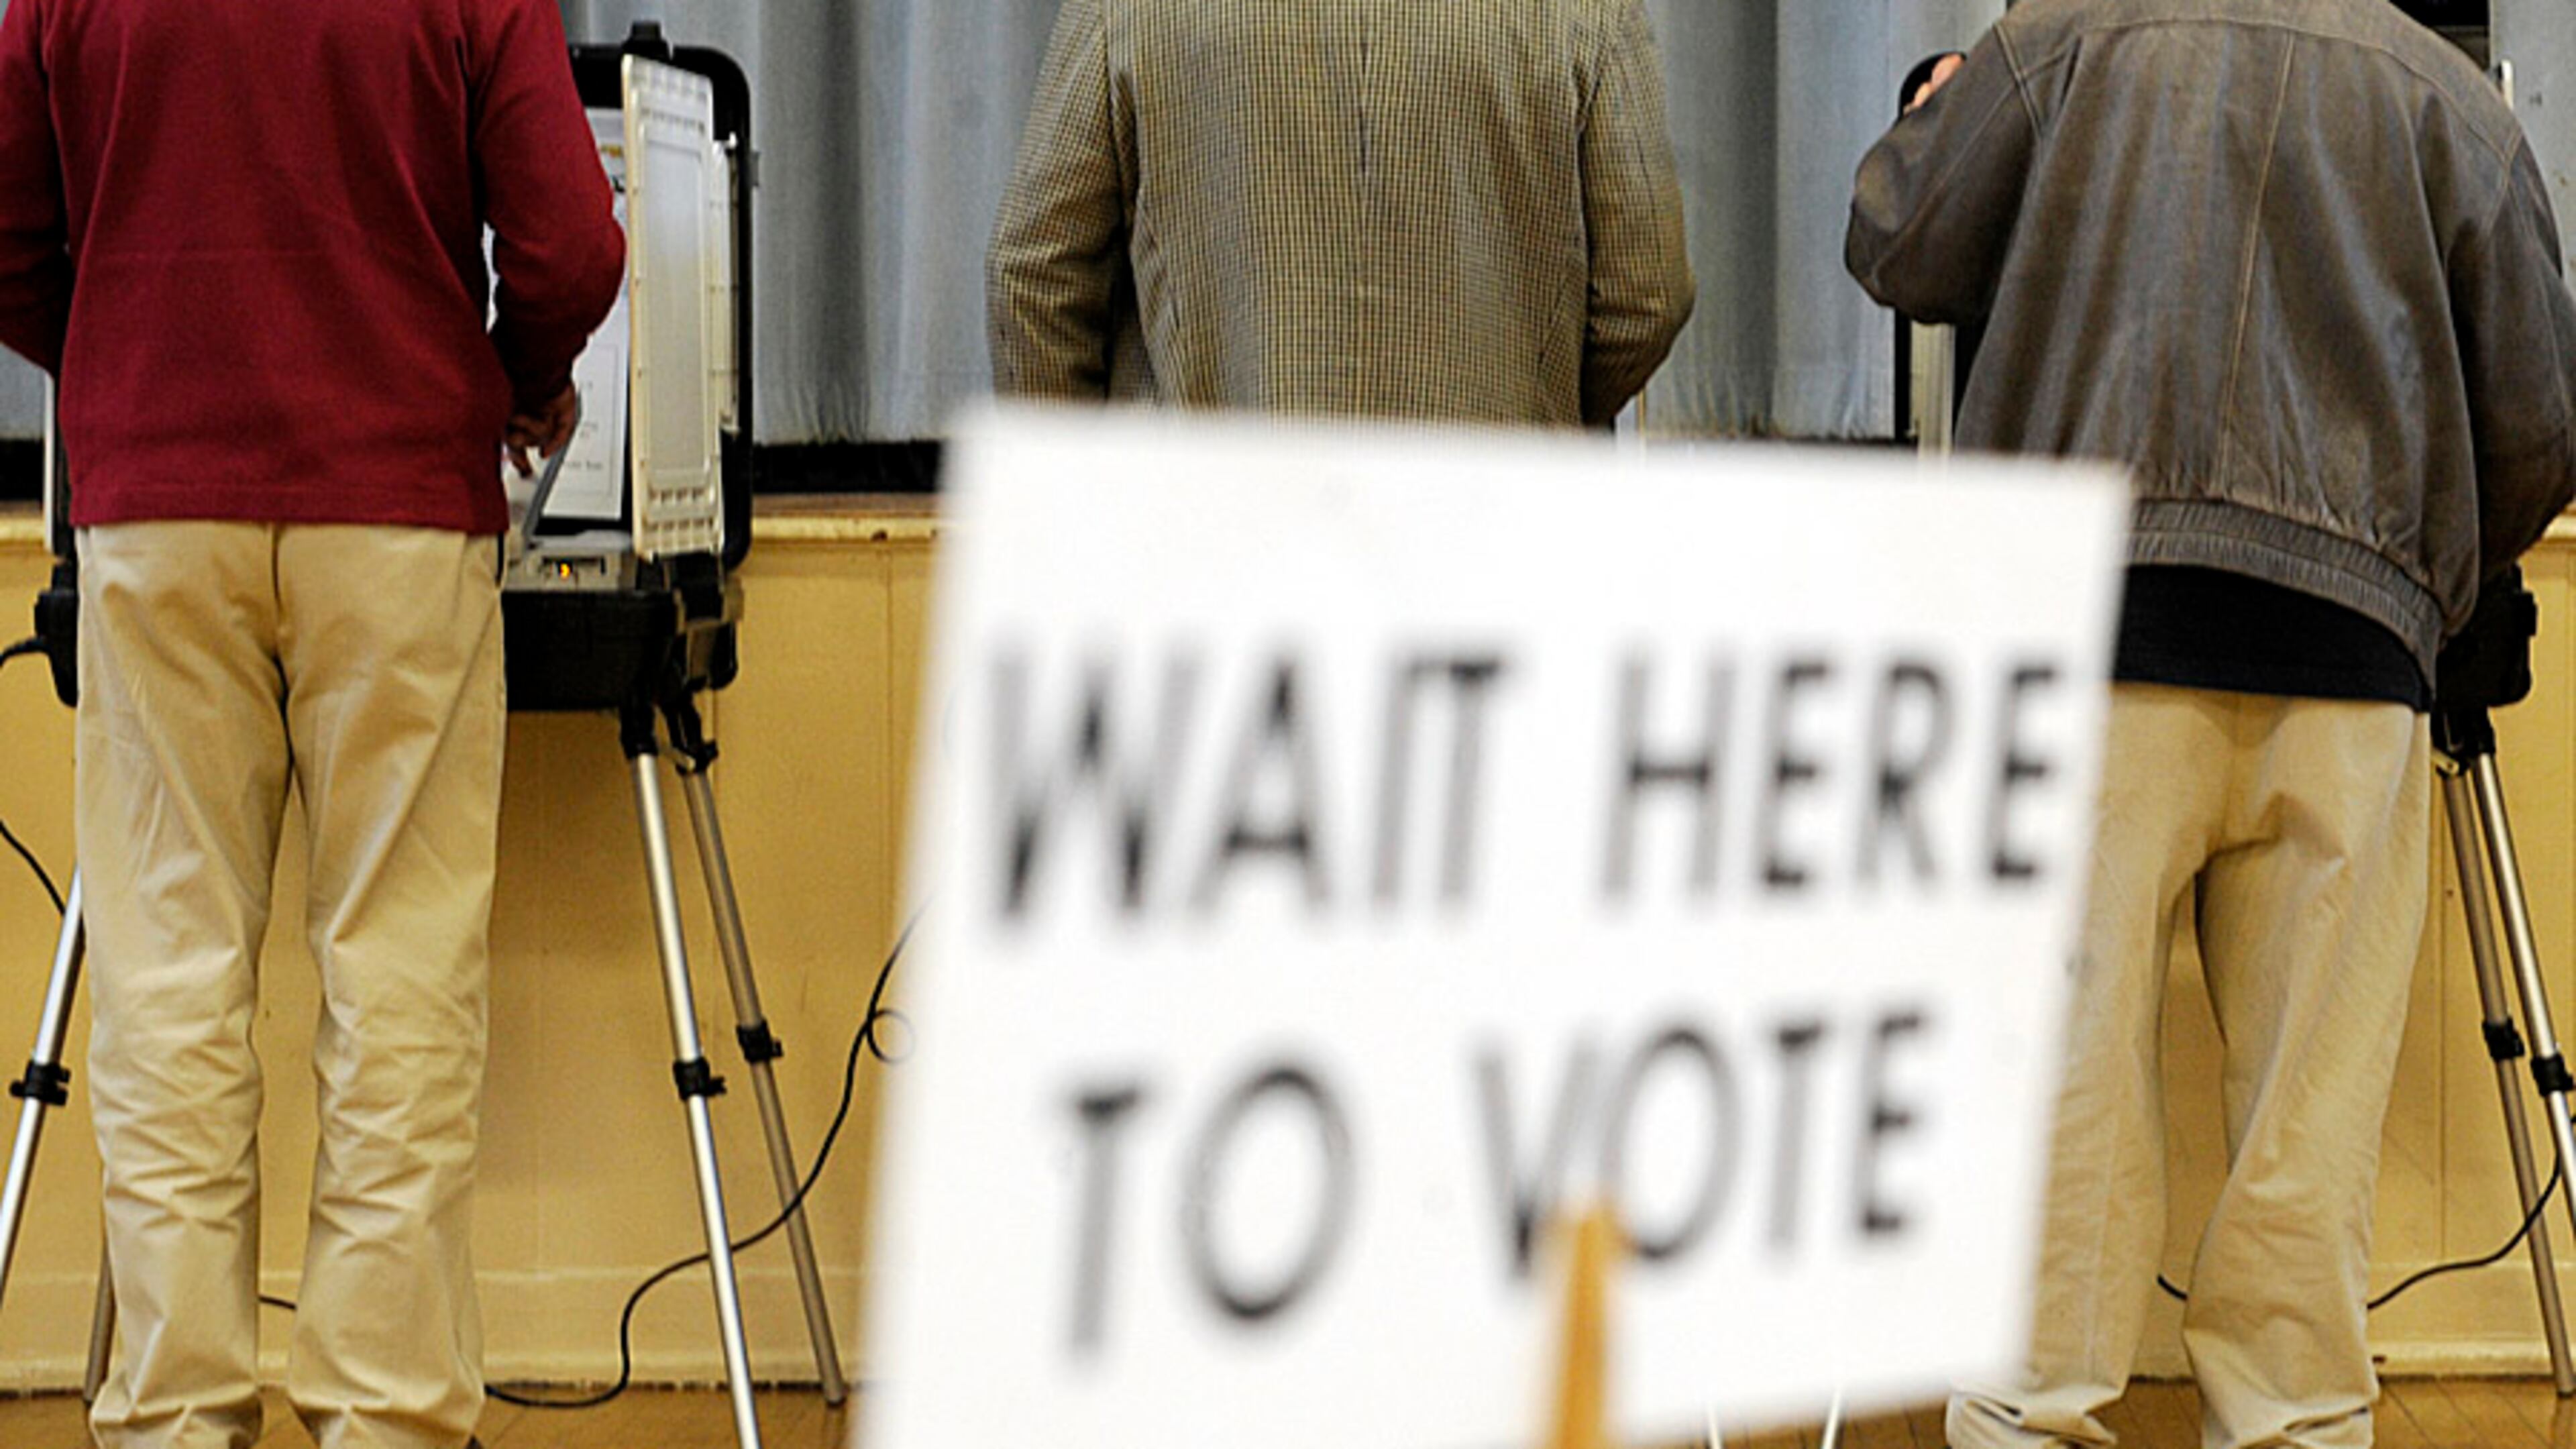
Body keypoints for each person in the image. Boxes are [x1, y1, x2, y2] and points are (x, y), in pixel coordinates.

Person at [1845, 1, 2576, 1446]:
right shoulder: (2445, 97)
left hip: (2092, 640)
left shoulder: (2056, 46)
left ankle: (2029, 1420)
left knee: (2064, 1107)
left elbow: (1896, 240)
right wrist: (2437, 585)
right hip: (2353, 658)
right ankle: (2297, 1423)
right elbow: (2542, 418)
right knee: (2307, 1132)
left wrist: (1942, 100)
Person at [0, 0, 624, 1444]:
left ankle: (172, 1417)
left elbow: (13, 238)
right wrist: (521, 380)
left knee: (167, 984)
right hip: (401, 500)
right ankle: (388, 1419)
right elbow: (574, 246)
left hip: (156, 506)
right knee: (399, 977)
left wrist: (122, 360)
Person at [987, 0, 1697, 427]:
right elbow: (1648, 296)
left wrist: (1082, 497)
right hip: (1487, 553)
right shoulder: (1586, 10)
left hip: (1204, 557)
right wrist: (1529, 409)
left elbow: (1033, 274)